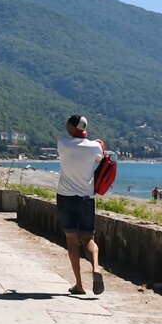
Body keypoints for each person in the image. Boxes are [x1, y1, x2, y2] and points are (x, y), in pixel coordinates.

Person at [57, 114, 105, 295]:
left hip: (66, 197)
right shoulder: (95, 147)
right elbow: (100, 158)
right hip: (86, 199)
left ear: (70, 126)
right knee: (88, 239)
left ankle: (79, 285)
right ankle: (96, 268)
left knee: (71, 241)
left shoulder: (62, 143)